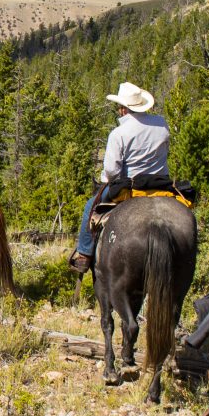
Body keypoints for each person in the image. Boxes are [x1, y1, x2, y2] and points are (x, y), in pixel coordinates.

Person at [69, 82, 170, 274]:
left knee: (90, 206)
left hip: (131, 188)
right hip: (162, 186)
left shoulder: (119, 133)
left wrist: (105, 178)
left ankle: (84, 254)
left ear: (123, 109)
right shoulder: (161, 124)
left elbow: (112, 171)